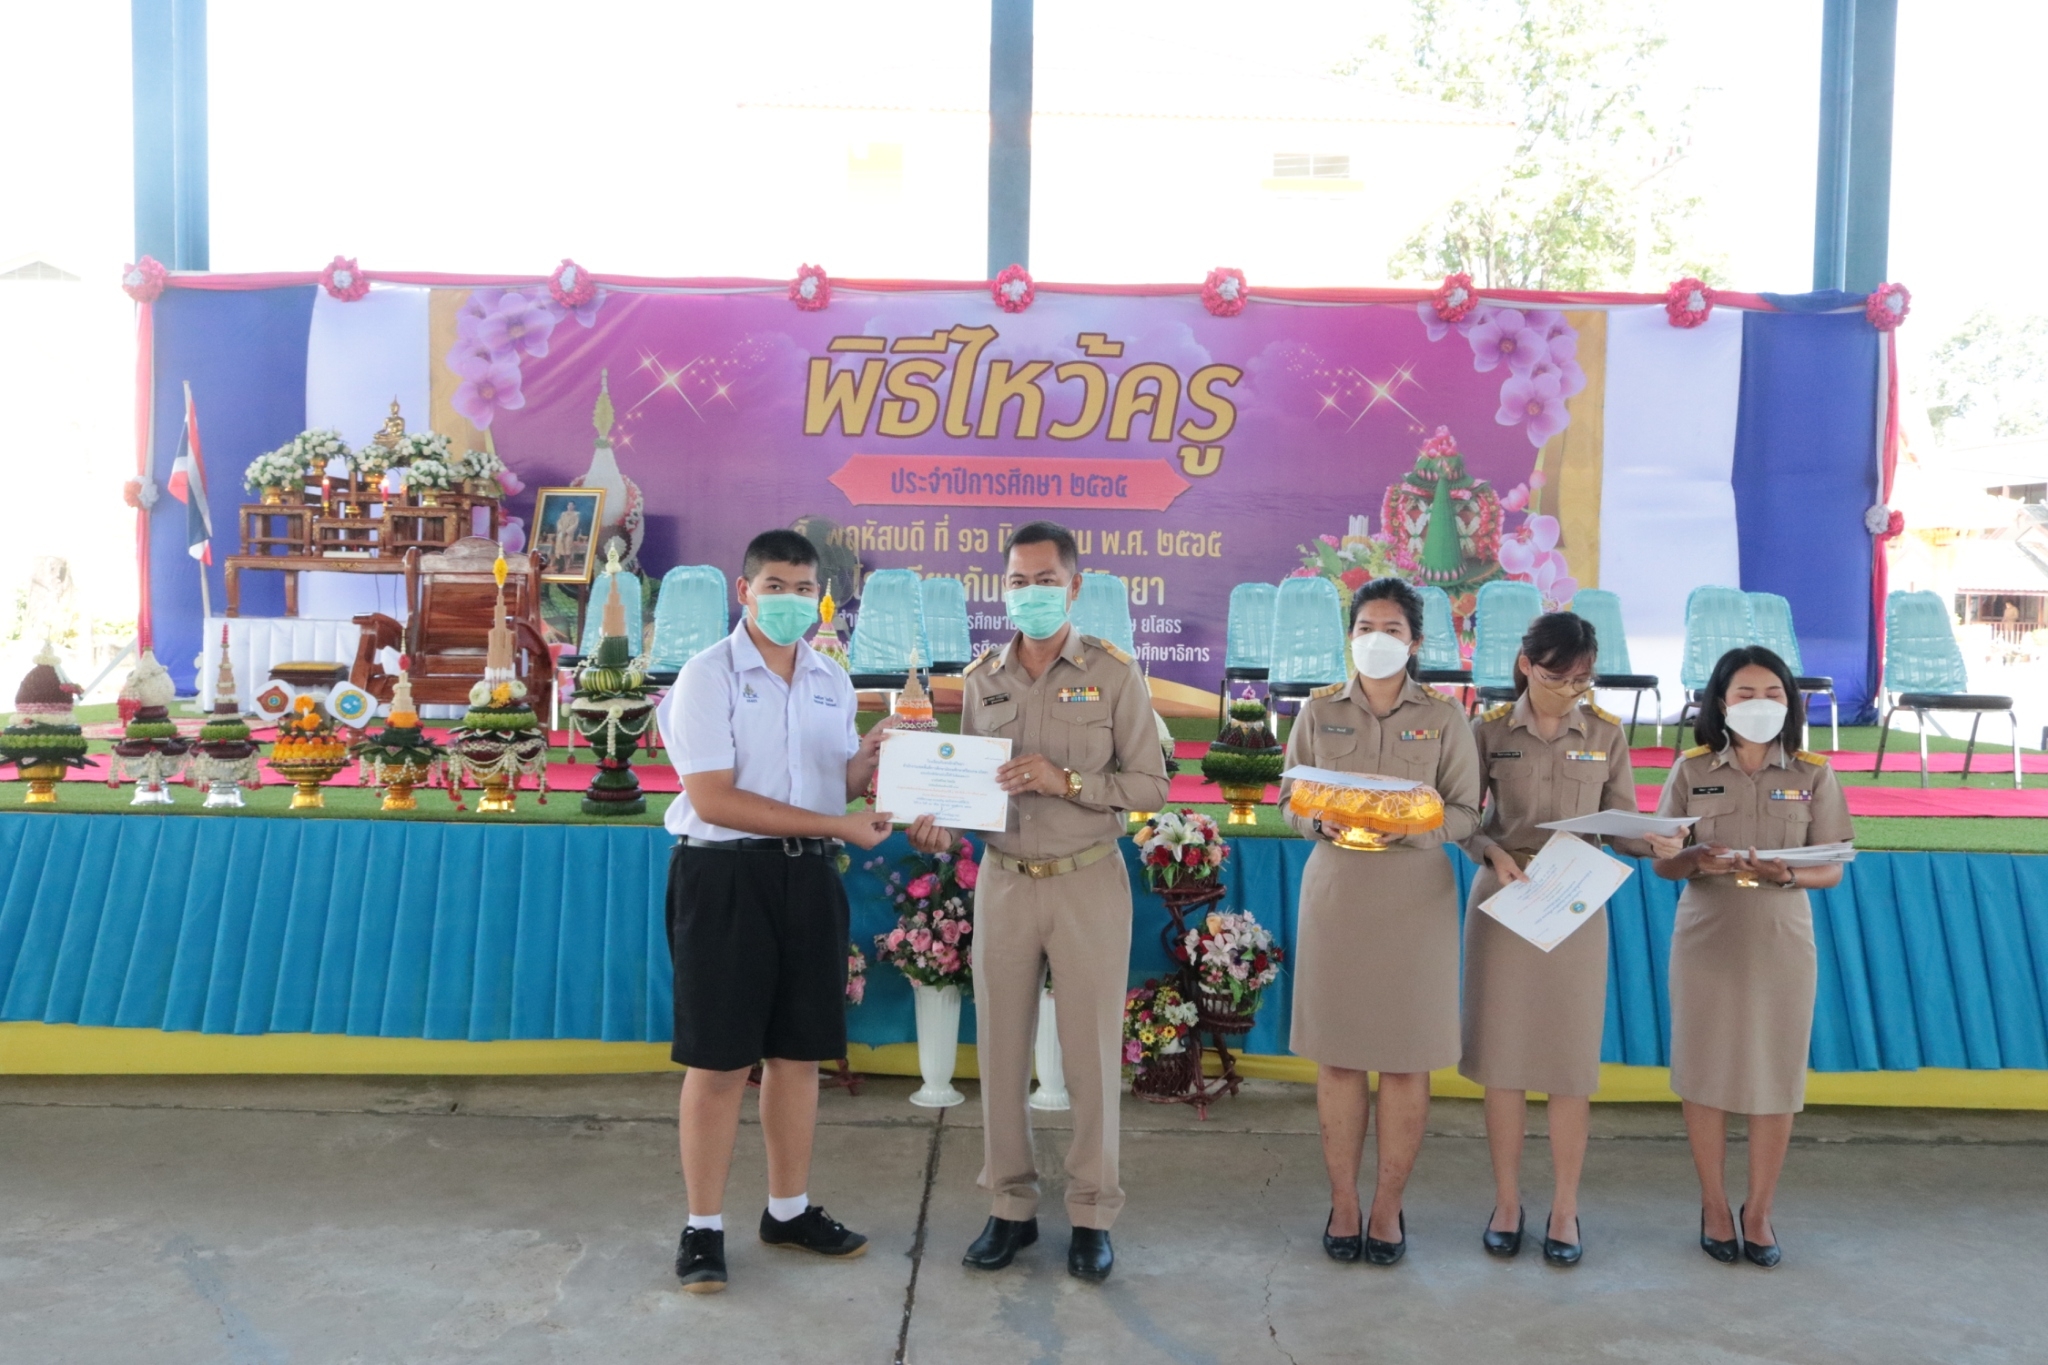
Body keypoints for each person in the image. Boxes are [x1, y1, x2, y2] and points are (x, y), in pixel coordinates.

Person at [904, 520, 1169, 1283]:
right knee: (1001, 1050)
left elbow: (1151, 786)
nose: (1030, 593)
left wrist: (1068, 780)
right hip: (1006, 880)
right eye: (1018, 581)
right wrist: (938, 827)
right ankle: (1009, 1206)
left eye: (1045, 580)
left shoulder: (1115, 673)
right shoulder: (983, 676)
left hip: (1087, 878)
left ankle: (1092, 1212)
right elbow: (965, 787)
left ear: (1074, 587)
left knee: (1090, 1056)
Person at [657, 528, 898, 1294]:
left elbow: (832, 781)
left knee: (798, 1055)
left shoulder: (831, 678)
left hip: (808, 879)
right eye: (775, 586)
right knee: (721, 1061)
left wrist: (875, 759)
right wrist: (837, 824)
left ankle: (787, 1211)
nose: (790, 600)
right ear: (745, 591)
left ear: (819, 597)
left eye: (803, 589)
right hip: (724, 878)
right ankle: (702, 1227)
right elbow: (713, 797)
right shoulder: (708, 675)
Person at [1280, 577, 1481, 1266]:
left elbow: (1467, 812)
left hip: (1414, 901)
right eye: (1366, 627)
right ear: (1350, 636)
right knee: (1338, 1056)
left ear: (1415, 642)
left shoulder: (1446, 718)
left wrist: (1417, 827)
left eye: (1392, 629)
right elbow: (1289, 798)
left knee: (1404, 1061)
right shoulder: (1318, 710)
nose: (1377, 639)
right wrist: (1318, 820)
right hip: (1338, 895)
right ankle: (1343, 1202)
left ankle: (1388, 1206)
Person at [1648, 646, 1851, 1269]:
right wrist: (1690, 859)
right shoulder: (1690, 770)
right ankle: (1714, 1205)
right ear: (1720, 702)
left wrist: (1786, 873)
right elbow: (1662, 863)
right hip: (1707, 933)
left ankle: (1758, 1212)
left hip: (1781, 934)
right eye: (1744, 693)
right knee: (1703, 1071)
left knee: (1775, 1076)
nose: (1759, 703)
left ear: (1790, 703)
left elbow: (1833, 868)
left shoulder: (1814, 773)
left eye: (1772, 693)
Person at [1461, 611, 1647, 1267]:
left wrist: (1656, 839)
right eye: (1557, 677)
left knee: (1569, 1067)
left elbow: (1623, 825)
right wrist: (1489, 851)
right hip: (1505, 898)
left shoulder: (1605, 733)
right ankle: (1507, 1202)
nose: (1570, 691)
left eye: (1582, 679)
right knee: (1504, 1063)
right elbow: (1462, 818)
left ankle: (1565, 1206)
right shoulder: (1486, 730)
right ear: (1525, 664)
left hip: (1575, 903)